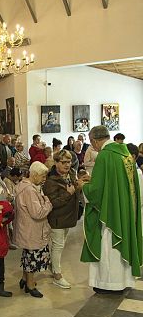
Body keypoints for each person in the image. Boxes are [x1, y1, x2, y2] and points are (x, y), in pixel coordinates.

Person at [81, 126, 142, 293]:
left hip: (111, 212)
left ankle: (109, 285)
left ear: (94, 140)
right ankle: (123, 280)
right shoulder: (125, 153)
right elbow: (114, 182)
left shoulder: (105, 155)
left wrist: (84, 186)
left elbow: (97, 191)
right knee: (118, 246)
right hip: (125, 207)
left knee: (108, 246)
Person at [43, 150, 84, 289]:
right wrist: (69, 193)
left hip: (69, 216)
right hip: (57, 217)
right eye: (64, 162)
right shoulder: (50, 180)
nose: (67, 165)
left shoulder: (71, 172)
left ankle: (53, 266)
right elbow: (53, 203)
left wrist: (80, 184)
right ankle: (57, 275)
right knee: (58, 246)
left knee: (60, 244)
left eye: (69, 161)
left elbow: (75, 189)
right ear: (56, 162)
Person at [13, 162, 53, 298]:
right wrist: (48, 202)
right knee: (33, 258)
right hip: (32, 230)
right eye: (42, 176)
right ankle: (30, 286)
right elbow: (38, 213)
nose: (44, 179)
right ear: (34, 174)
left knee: (27, 255)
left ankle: (24, 279)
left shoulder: (22, 185)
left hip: (26, 228)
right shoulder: (30, 190)